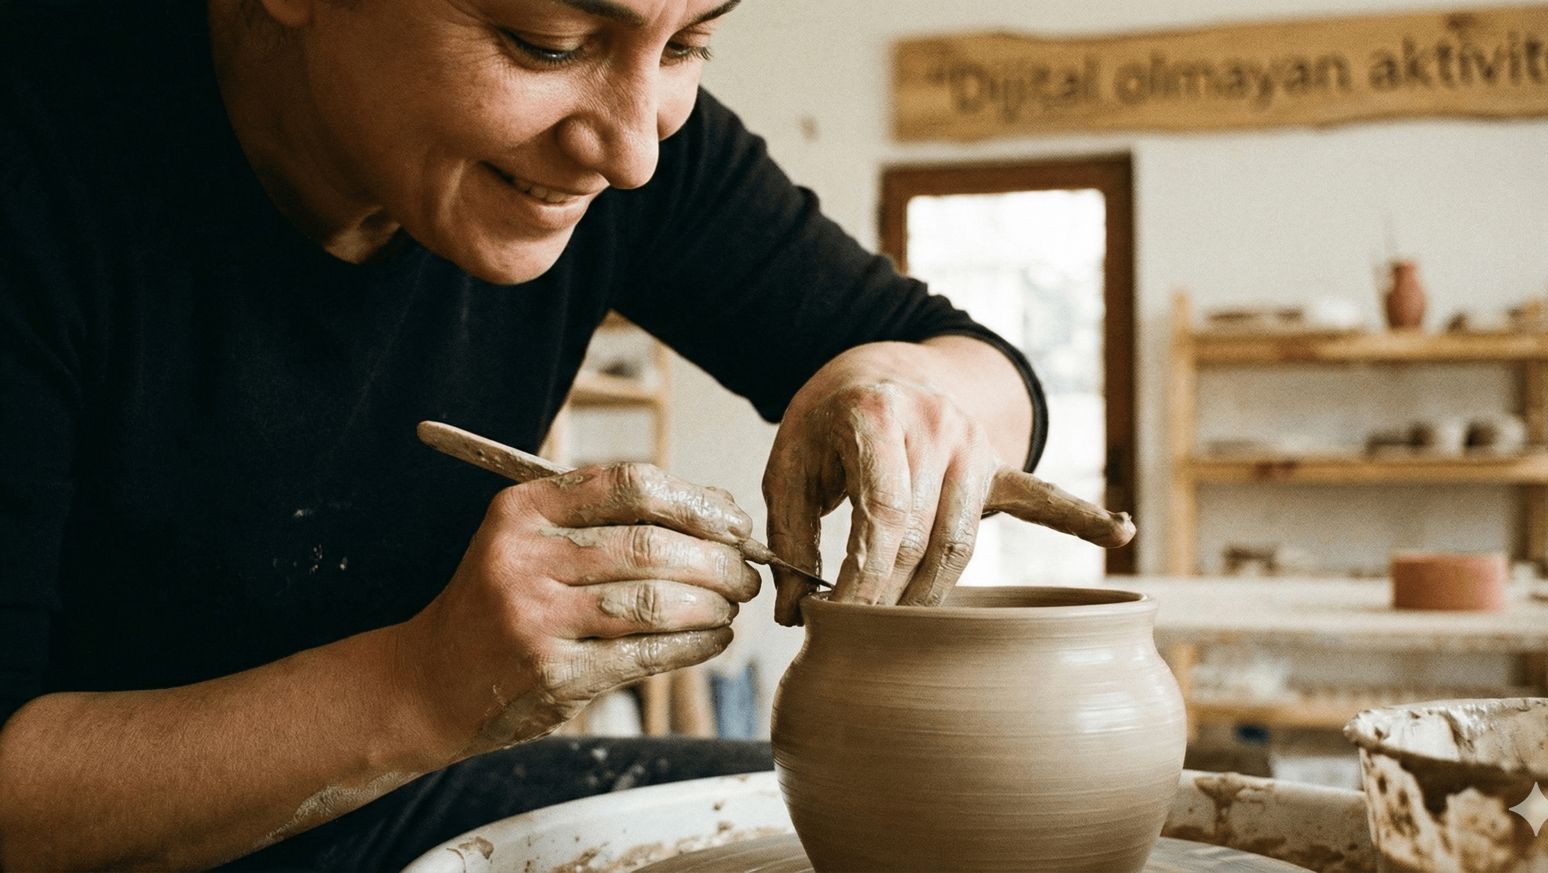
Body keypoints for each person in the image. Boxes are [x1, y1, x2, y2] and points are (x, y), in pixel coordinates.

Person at [0, 0, 1046, 868]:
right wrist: (424, 686)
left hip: (373, 816)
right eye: (547, 44)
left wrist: (904, 386)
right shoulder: (42, 153)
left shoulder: (620, 139)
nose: (633, 152)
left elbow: (975, 365)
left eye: (689, 44)